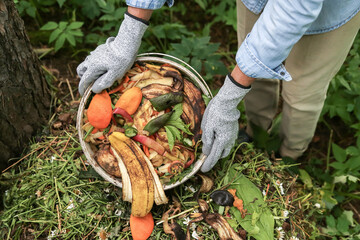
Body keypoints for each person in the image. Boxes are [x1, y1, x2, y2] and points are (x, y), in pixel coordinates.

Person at [77, 0, 360, 173]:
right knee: (255, 71)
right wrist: (130, 31)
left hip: (326, 10)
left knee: (302, 91)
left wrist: (228, 97)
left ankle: (289, 155)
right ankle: (256, 131)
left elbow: (294, 10)